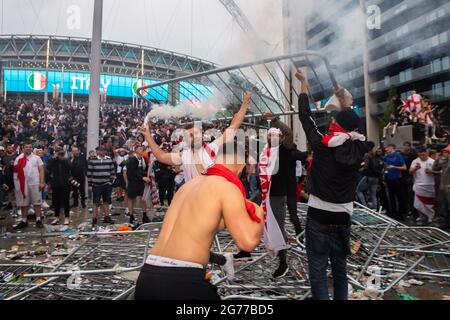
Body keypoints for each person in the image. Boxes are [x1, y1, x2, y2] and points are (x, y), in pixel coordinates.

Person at [135, 139, 264, 300]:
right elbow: (248, 242)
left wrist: (220, 259)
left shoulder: (188, 186)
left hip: (148, 275)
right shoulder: (226, 187)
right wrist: (259, 211)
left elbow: (188, 238)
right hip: (182, 281)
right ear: (241, 166)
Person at [295, 69, 373, 300]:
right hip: (343, 217)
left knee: (318, 273)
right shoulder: (359, 146)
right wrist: (346, 101)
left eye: (334, 119)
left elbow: (305, 116)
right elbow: (355, 125)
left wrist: (303, 86)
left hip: (318, 216)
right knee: (340, 270)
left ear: (338, 125)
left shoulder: (322, 144)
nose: (331, 120)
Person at [12, 142, 45, 229]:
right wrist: (17, 185)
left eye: (30, 147)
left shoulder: (36, 158)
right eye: (26, 147)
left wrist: (41, 182)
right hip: (23, 184)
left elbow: (41, 170)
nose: (28, 148)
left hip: (35, 182)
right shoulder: (18, 158)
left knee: (37, 202)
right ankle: (24, 221)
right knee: (24, 203)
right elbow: (15, 172)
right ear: (23, 148)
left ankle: (38, 220)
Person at [87, 146, 116, 226]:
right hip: (96, 185)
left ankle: (107, 217)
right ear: (98, 152)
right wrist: (89, 184)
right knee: (95, 202)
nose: (102, 152)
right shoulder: (93, 161)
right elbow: (89, 173)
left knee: (106, 201)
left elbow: (112, 171)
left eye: (104, 150)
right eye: (101, 150)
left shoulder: (109, 160)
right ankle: (94, 218)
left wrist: (110, 181)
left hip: (107, 184)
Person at [124, 145, 150, 224]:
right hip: (133, 182)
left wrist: (146, 178)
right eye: (140, 148)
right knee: (131, 198)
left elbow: (145, 170)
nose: (142, 150)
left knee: (143, 198)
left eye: (142, 148)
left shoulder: (144, 159)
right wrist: (127, 182)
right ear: (135, 150)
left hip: (141, 182)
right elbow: (132, 172)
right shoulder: (131, 159)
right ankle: (131, 216)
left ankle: (144, 215)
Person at [410, 148, 436, 224]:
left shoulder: (432, 161)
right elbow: (410, 172)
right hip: (419, 184)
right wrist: (415, 168)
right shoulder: (415, 161)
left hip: (430, 185)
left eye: (423, 154)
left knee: (430, 202)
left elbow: (438, 173)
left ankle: (430, 217)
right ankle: (421, 217)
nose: (422, 156)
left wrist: (431, 171)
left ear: (427, 153)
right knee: (418, 202)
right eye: (420, 155)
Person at [47, 150, 72, 225]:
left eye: (61, 154)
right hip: (56, 184)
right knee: (56, 202)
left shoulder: (66, 160)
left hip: (65, 184)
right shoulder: (53, 161)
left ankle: (67, 217)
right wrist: (54, 159)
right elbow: (48, 168)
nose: (59, 155)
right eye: (58, 153)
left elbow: (70, 167)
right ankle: (56, 217)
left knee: (66, 201)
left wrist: (63, 159)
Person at [384, 144, 407, 221]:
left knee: (400, 197)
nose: (386, 149)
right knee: (391, 197)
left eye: (387, 148)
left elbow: (404, 167)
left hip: (398, 179)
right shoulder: (386, 157)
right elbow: (384, 167)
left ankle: (401, 213)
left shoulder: (398, 155)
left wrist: (394, 167)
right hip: (389, 179)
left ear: (392, 148)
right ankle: (393, 212)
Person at [432, 145, 450, 231]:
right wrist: (437, 159)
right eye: (444, 152)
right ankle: (446, 223)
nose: (444, 154)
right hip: (443, 188)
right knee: (445, 207)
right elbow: (434, 168)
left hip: (448, 189)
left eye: (446, 152)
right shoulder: (443, 161)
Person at [401, 142, 417, 215]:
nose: (406, 147)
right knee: (403, 194)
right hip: (402, 176)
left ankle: (412, 209)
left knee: (411, 194)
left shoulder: (413, 155)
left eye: (407, 146)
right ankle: (405, 209)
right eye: (405, 146)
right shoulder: (400, 155)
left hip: (410, 175)